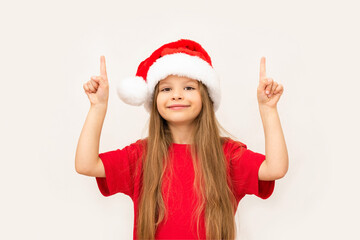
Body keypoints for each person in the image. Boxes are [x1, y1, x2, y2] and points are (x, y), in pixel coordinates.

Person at [75, 39, 288, 240]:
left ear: (206, 96)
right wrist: (98, 107)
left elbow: (275, 169)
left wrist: (268, 110)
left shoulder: (227, 155)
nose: (177, 95)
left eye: (188, 87)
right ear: (154, 99)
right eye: (166, 89)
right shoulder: (141, 156)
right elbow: (86, 165)